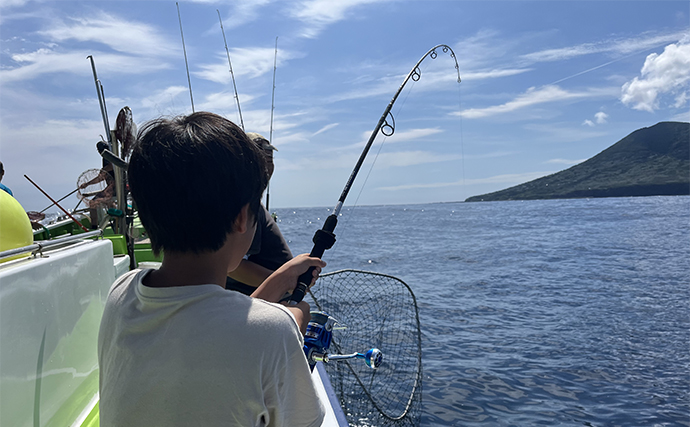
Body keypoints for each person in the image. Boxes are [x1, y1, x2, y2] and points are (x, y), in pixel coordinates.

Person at [98, 112, 326, 427]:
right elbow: (302, 420)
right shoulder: (274, 334)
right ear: (242, 218)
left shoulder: (120, 292)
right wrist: (295, 316)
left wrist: (280, 281)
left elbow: (204, 327)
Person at [226, 132, 293, 295]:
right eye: (261, 159)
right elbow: (233, 267)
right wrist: (287, 283)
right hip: (252, 302)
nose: (267, 167)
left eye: (270, 160)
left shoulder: (251, 200)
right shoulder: (244, 203)